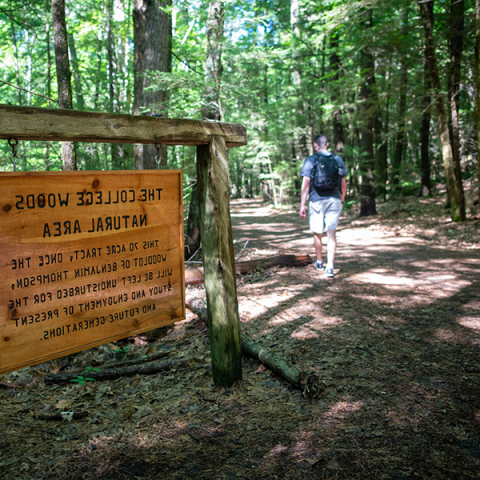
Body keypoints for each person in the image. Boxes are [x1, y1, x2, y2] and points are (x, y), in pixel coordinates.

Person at [299, 135, 347, 278]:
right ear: (327, 144)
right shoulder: (337, 159)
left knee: (317, 233)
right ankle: (330, 268)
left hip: (316, 200)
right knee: (331, 234)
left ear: (315, 146)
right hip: (334, 199)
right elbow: (343, 183)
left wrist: (302, 205)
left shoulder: (310, 160)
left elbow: (305, 184)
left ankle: (319, 262)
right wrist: (342, 199)